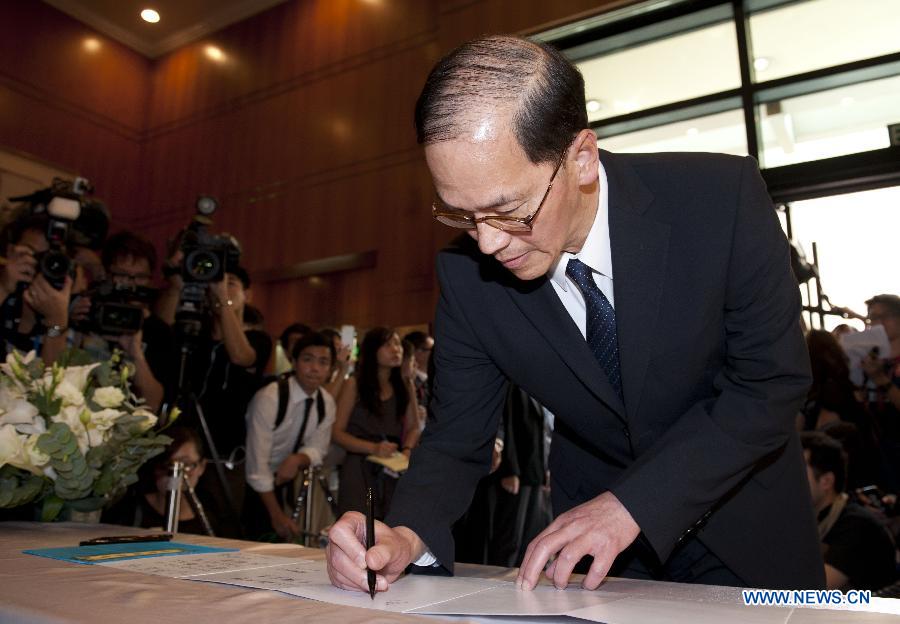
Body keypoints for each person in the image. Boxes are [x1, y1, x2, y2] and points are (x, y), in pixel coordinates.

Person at [326, 35, 822, 594]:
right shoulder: (469, 277)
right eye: (462, 214)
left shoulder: (719, 200)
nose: (487, 243)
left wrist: (632, 505)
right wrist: (406, 534)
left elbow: (769, 383)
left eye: (509, 210)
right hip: (591, 559)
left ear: (581, 157)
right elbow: (455, 437)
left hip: (746, 528)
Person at [243, 332, 337, 541]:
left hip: (283, 478)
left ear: (331, 369)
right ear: (293, 362)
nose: (315, 368)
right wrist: (276, 515)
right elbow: (257, 468)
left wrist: (297, 459)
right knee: (245, 539)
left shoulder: (326, 402)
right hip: (247, 479)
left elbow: (318, 448)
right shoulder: (270, 397)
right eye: (307, 359)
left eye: (323, 362)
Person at [332, 328, 420, 520]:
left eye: (397, 344)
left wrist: (407, 450)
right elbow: (337, 432)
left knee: (391, 525)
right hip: (359, 463)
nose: (396, 349)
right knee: (359, 525)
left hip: (393, 463)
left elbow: (414, 426)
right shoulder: (354, 384)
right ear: (372, 350)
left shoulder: (405, 384)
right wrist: (373, 448)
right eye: (387, 345)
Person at [801, 431, 897, 591]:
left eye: (798, 473)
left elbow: (813, 590)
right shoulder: (814, 517)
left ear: (826, 481)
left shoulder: (857, 525)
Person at [103, 426, 212, 535]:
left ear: (202, 467)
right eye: (167, 464)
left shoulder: (213, 515)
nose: (176, 474)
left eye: (186, 464)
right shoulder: (127, 512)